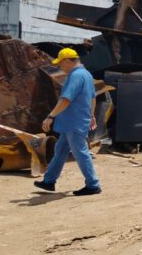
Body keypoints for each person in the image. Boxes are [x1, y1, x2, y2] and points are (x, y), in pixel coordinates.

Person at [34, 48, 102, 196]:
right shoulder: (86, 74)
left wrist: (50, 116)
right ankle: (49, 181)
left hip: (74, 122)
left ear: (66, 61)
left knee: (80, 152)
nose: (60, 67)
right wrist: (91, 116)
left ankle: (93, 184)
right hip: (73, 122)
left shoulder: (75, 76)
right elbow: (92, 98)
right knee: (61, 150)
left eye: (60, 64)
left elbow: (65, 99)